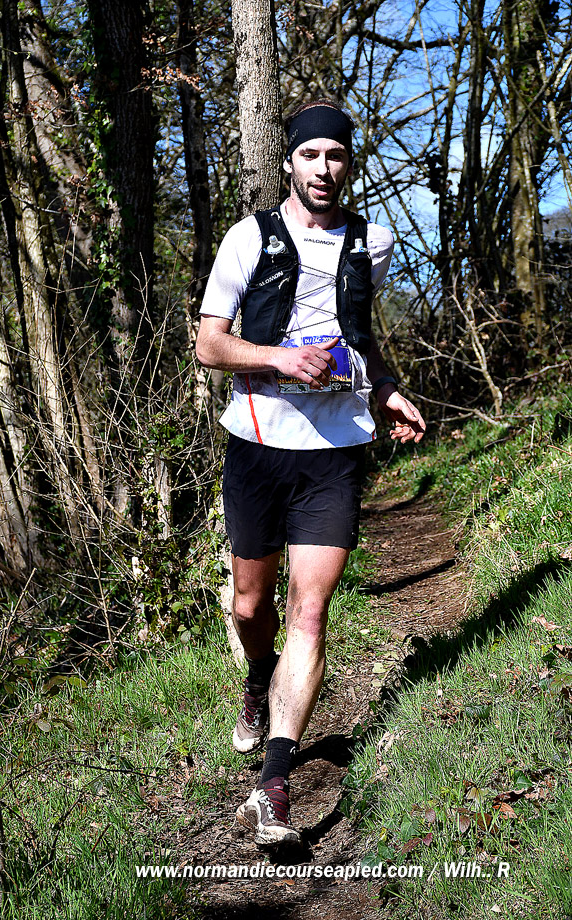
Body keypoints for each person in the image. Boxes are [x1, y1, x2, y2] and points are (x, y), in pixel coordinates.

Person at [196, 99, 425, 847]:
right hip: (258, 444)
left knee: (310, 611)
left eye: (336, 155)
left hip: (336, 450)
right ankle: (256, 677)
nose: (323, 168)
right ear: (289, 161)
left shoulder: (372, 242)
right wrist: (280, 359)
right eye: (310, 154)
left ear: (348, 165)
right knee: (249, 605)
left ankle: (274, 785)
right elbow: (209, 345)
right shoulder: (249, 237)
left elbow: (361, 336)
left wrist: (385, 389)